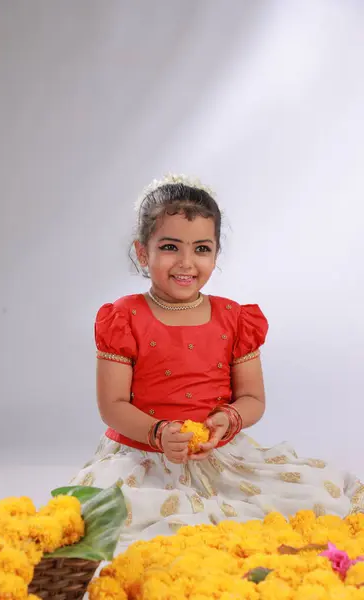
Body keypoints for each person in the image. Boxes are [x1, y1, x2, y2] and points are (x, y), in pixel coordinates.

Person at [71, 174, 362, 555]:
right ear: (143, 253)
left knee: (313, 500)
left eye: (202, 249)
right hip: (142, 456)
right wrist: (158, 432)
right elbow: (112, 407)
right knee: (130, 529)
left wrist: (229, 420)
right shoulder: (124, 317)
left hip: (220, 455)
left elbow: (253, 398)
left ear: (216, 254)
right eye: (171, 247)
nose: (187, 263)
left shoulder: (233, 318)